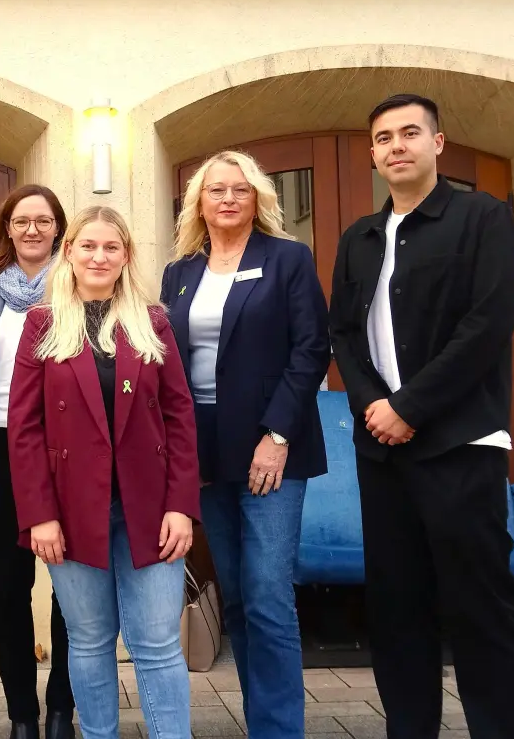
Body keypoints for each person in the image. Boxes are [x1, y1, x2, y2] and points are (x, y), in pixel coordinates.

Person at [328, 94, 514, 739]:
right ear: (373, 154)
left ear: (437, 143)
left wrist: (410, 407)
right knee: (396, 611)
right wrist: (375, 410)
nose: (396, 146)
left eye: (410, 133)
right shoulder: (358, 239)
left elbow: (487, 325)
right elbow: (344, 337)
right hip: (383, 453)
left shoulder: (483, 218)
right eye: (383, 137)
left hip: (460, 445)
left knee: (479, 609)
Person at [7, 205, 200, 739]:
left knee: (158, 643)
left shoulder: (152, 321)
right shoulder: (41, 325)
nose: (98, 256)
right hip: (71, 513)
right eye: (87, 245)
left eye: (110, 247)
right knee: (89, 642)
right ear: (68, 252)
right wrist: (40, 515)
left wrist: (182, 505)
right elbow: (24, 430)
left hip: (152, 508)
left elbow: (181, 416)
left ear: (126, 256)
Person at [160, 150, 330, 739]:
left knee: (267, 595)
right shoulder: (180, 272)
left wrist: (277, 434)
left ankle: (279, 730)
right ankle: (262, 721)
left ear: (258, 199)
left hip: (271, 451)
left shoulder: (288, 260)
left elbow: (311, 350)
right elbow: (171, 366)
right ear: (198, 203)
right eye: (216, 190)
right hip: (205, 455)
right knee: (235, 596)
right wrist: (179, 454)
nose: (228, 198)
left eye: (240, 189)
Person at [0, 185, 76, 739]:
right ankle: (21, 715)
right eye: (21, 221)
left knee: (70, 588)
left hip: (68, 450)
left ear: (59, 227)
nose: (32, 230)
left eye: (43, 220)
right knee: (9, 587)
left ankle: (61, 707)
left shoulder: (78, 284)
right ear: (7, 229)